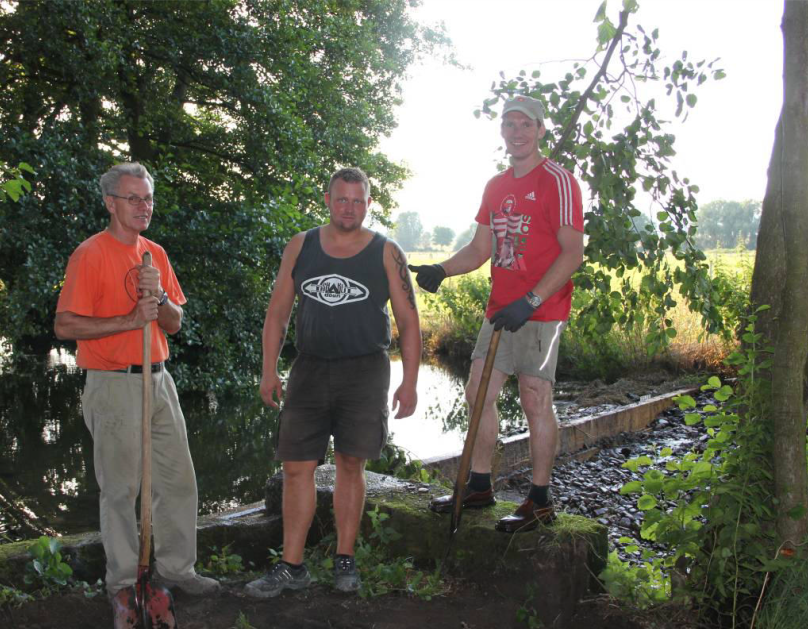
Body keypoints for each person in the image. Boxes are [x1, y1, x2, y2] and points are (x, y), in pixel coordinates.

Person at [410, 95, 584, 532]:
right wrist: (442, 270)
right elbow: (481, 249)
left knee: (534, 397)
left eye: (526, 124)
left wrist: (531, 301)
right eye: (510, 125)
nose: (518, 132)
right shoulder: (496, 185)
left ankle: (539, 500)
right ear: (502, 132)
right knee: (476, 392)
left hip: (541, 312)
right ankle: (480, 485)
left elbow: (572, 254)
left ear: (541, 130)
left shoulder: (558, 181)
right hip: (500, 311)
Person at [245, 167, 421, 597]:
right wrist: (269, 370)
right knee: (296, 467)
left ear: (368, 204)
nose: (349, 207)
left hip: (365, 370)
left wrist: (409, 381)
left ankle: (345, 560)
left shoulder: (386, 251)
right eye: (342, 199)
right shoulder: (301, 246)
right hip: (309, 368)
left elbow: (409, 320)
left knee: (350, 463)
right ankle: (292, 565)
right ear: (327, 199)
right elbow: (277, 313)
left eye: (358, 200)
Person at [54, 162, 218, 597]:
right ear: (111, 203)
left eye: (147, 198)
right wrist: (129, 319)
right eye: (133, 198)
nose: (143, 206)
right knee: (121, 491)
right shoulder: (90, 254)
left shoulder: (155, 254)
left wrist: (159, 296)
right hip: (113, 384)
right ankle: (125, 583)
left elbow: (176, 323)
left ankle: (178, 570)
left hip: (159, 380)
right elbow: (65, 325)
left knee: (178, 480)